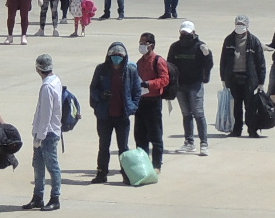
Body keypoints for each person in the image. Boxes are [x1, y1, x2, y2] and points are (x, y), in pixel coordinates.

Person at [90, 41, 141, 181]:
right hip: (104, 116)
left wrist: (133, 107)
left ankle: (126, 174)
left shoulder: (130, 70)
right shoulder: (101, 69)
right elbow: (93, 89)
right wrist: (100, 97)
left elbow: (137, 91)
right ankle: (101, 173)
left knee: (123, 147)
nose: (116, 57)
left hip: (122, 116)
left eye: (120, 55)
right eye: (114, 55)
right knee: (104, 145)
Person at [26, 53, 65, 210]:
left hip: (47, 133)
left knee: (52, 166)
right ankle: (38, 196)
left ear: (38, 69)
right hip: (48, 130)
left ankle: (55, 198)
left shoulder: (47, 87)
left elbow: (46, 114)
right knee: (38, 165)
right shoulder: (55, 80)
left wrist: (39, 136)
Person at [168, 21, 213, 154]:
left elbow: (208, 65)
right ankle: (189, 142)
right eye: (183, 33)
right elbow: (169, 65)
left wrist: (207, 55)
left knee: (198, 113)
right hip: (180, 85)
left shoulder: (200, 46)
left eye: (187, 33)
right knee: (186, 114)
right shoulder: (175, 47)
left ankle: (204, 143)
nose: (185, 35)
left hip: (195, 84)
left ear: (193, 33)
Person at [219, 15, 266, 139]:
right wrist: (223, 78)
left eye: (242, 24)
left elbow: (260, 62)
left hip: (249, 79)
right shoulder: (229, 40)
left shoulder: (254, 41)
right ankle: (236, 130)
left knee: (250, 107)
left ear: (247, 25)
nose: (239, 26)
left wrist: (261, 81)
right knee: (236, 106)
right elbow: (223, 60)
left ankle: (252, 130)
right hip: (233, 77)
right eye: (237, 24)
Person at [134, 31, 173, 168]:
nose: (141, 46)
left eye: (144, 43)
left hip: (153, 102)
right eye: (140, 43)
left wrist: (149, 84)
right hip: (141, 101)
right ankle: (143, 163)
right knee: (140, 136)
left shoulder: (158, 61)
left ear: (151, 45)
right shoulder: (139, 62)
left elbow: (165, 79)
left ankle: (157, 165)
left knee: (155, 135)